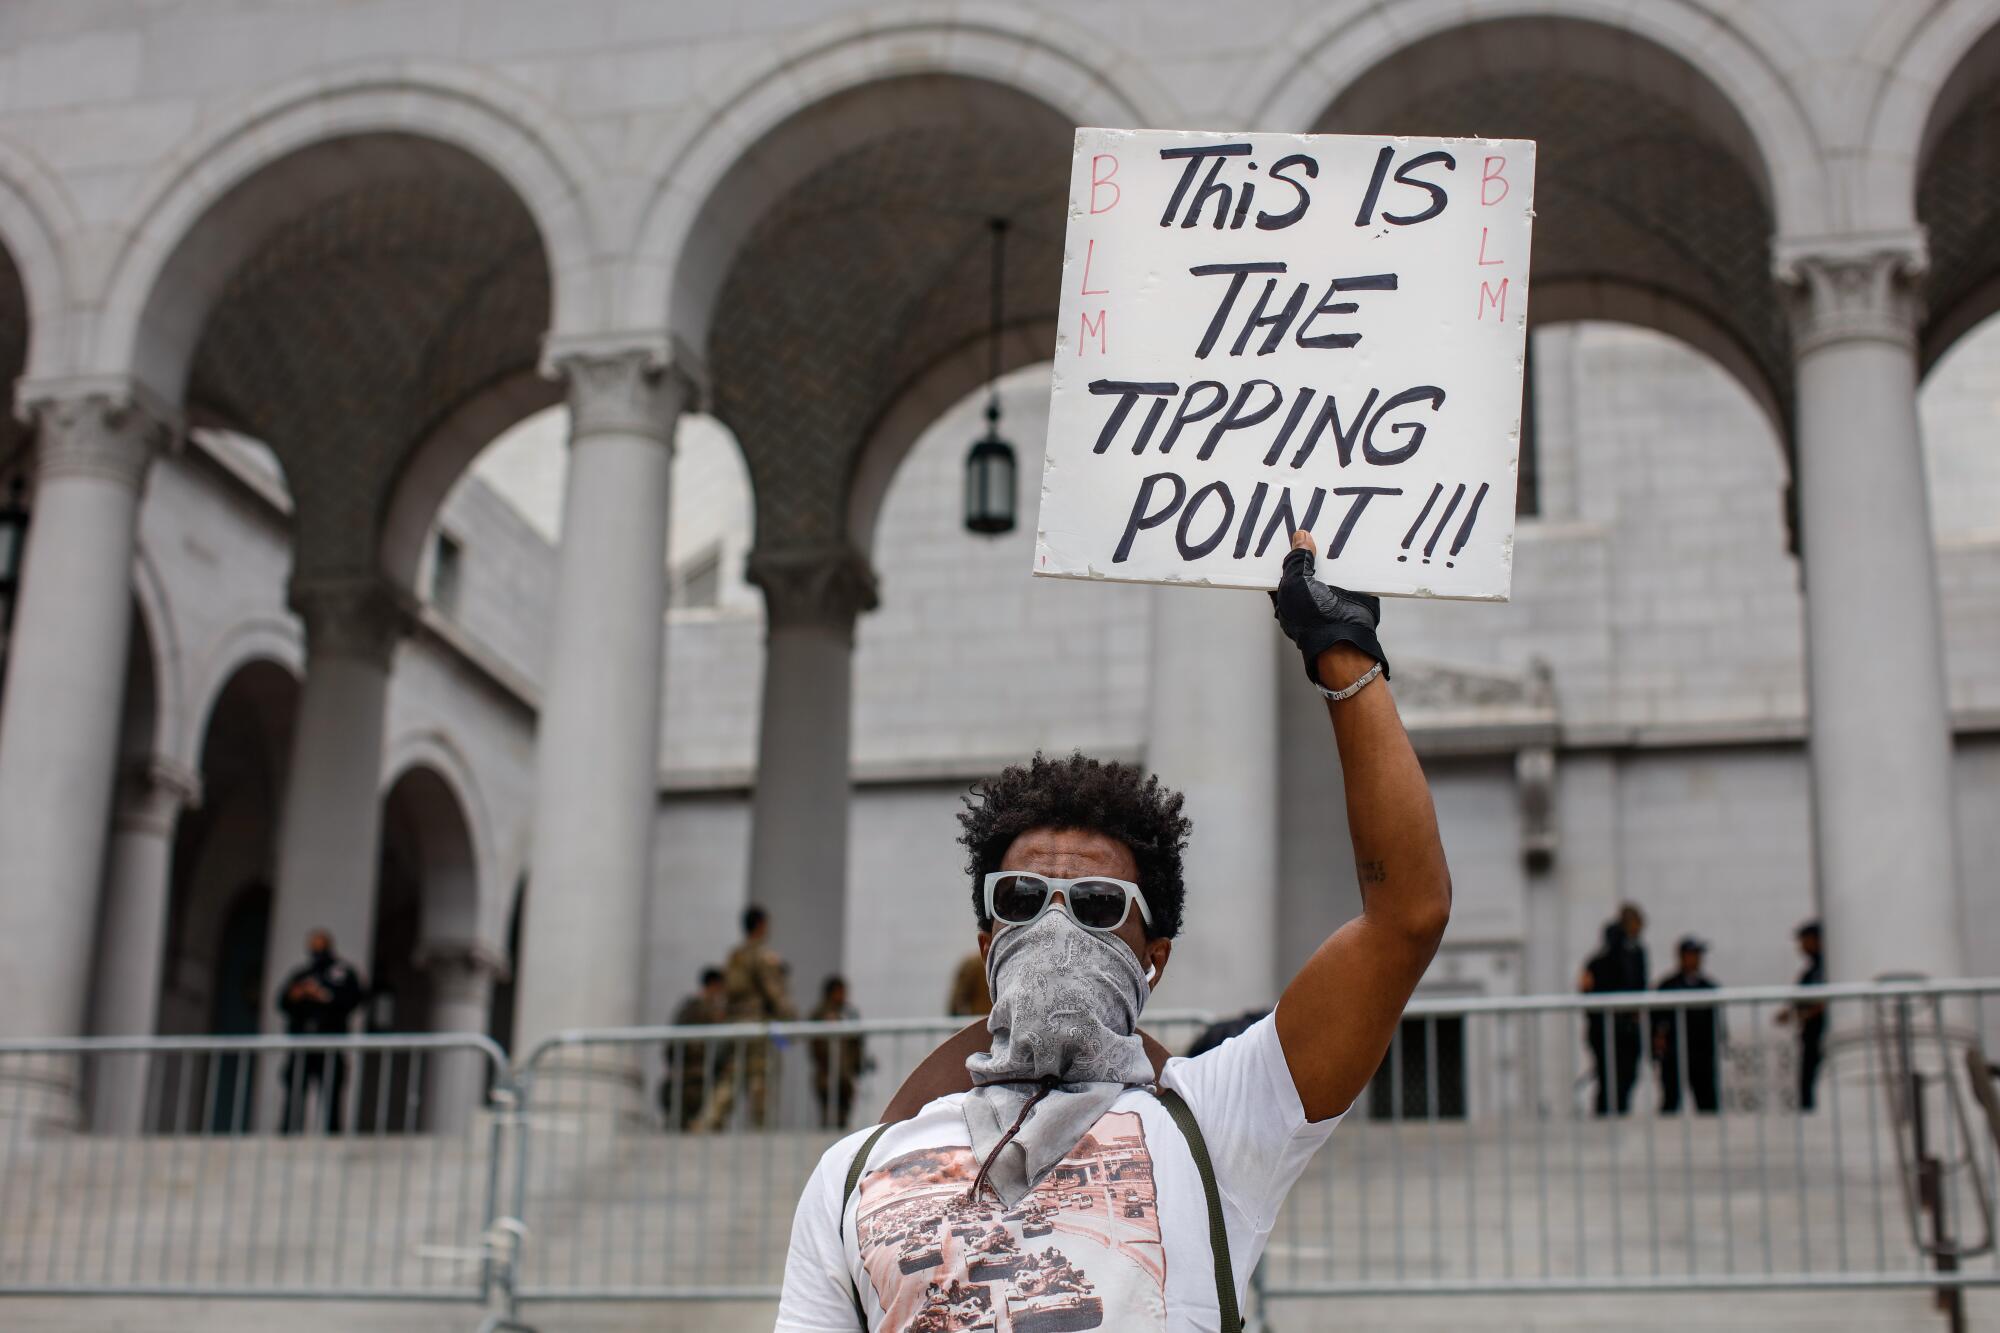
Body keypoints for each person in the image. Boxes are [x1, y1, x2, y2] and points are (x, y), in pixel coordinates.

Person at [776, 531, 1452, 1330]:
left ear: (1152, 956)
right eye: (1022, 898)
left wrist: (1344, 657)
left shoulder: (1217, 1123)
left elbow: (1407, 918)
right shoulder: (852, 1175)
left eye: (1097, 905)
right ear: (988, 943)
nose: (1055, 923)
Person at [696, 905, 795, 1130]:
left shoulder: (734, 956)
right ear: (761, 924)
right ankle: (762, 1128)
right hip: (758, 1025)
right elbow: (774, 992)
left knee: (732, 1076)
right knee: (761, 1078)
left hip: (736, 1024)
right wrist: (789, 1018)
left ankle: (709, 1121)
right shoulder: (762, 956)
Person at [274, 928, 366, 1133]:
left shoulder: (341, 973)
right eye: (313, 946)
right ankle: (290, 1131)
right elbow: (282, 1002)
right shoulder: (302, 975)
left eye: (320, 945)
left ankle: (332, 1133)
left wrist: (324, 995)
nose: (316, 950)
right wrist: (297, 994)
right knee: (296, 1088)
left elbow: (354, 999)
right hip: (302, 1043)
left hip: (330, 1043)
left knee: (331, 1090)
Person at [1579, 905, 1648, 1115]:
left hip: (1624, 1027)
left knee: (1623, 1078)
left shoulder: (1635, 953)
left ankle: (1616, 1113)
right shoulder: (1608, 959)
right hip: (1607, 1028)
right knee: (1610, 1079)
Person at [1652, 936, 1722, 1113]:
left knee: (1707, 1102)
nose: (1697, 960)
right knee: (1670, 1101)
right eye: (1693, 955)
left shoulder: (1708, 987)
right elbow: (1657, 1021)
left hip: (1702, 1055)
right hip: (1674, 1055)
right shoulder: (1667, 986)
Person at [662, 966, 728, 1130]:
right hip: (691, 1078)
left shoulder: (697, 1008)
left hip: (694, 1076)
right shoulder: (697, 1008)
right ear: (714, 985)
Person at [1776, 920, 1827, 1111]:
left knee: (1810, 1077)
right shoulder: (1812, 969)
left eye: (1805, 940)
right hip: (1811, 1032)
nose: (1801, 946)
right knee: (1806, 1079)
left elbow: (1824, 1002)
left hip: (1820, 1031)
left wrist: (1804, 1014)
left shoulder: (1825, 967)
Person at [809, 975, 866, 1130]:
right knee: (829, 1115)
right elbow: (817, 1046)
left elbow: (856, 1042)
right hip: (827, 1076)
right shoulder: (821, 1014)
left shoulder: (847, 1013)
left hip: (845, 1075)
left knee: (843, 1115)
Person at [945, 951, 991, 1017]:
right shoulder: (1006, 961)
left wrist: (954, 1023)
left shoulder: (972, 963)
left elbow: (956, 1000)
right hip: (1003, 1022)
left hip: (979, 1020)